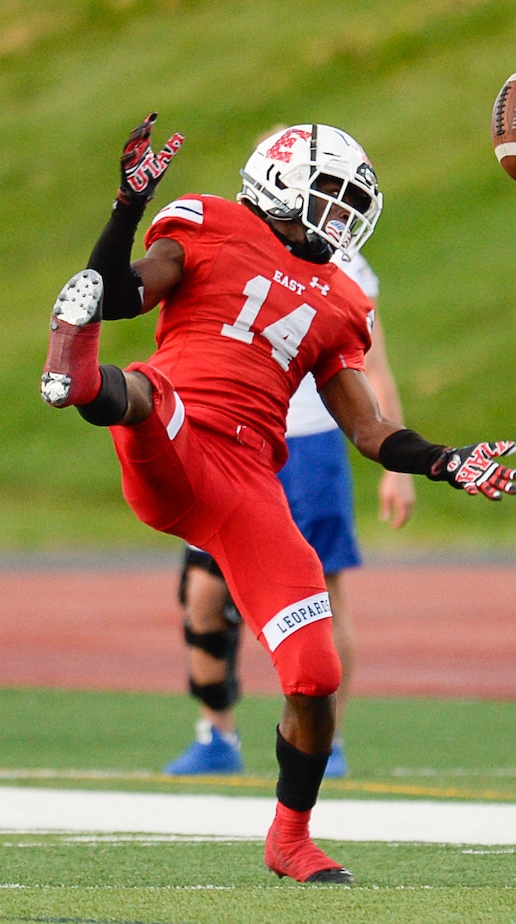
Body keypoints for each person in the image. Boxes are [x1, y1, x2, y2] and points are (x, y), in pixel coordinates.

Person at [40, 115, 516, 884]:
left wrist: (444, 461)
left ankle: (290, 839)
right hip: (180, 428)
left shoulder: (339, 299)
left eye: (349, 201)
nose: (340, 216)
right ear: (279, 182)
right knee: (150, 396)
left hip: (249, 486)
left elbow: (367, 428)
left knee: (314, 673)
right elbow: (121, 291)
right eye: (328, 195)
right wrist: (128, 204)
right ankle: (83, 376)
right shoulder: (210, 223)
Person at [165, 248, 415, 779]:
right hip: (230, 433)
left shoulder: (343, 261)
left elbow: (372, 365)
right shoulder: (230, 238)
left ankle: (328, 738)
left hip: (308, 440)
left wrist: (398, 467)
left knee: (323, 591)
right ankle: (217, 732)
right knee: (203, 593)